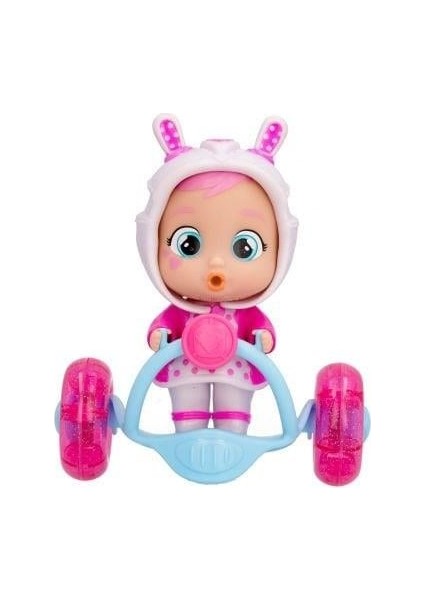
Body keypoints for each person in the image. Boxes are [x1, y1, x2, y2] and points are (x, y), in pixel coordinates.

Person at [136, 114, 298, 433]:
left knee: (234, 409)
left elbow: (260, 327)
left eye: (244, 248)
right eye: (188, 245)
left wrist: (263, 337)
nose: (216, 264)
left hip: (235, 370)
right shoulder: (181, 311)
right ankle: (188, 434)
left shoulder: (245, 314)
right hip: (187, 369)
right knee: (187, 408)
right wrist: (160, 334)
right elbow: (165, 324)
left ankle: (234, 436)